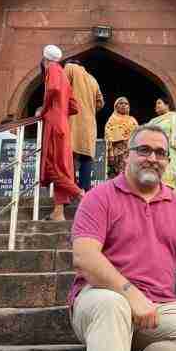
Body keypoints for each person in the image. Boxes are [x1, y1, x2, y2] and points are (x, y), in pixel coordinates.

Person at [48, 124, 176, 351]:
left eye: (160, 153)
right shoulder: (99, 197)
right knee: (112, 304)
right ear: (127, 156)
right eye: (144, 150)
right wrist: (131, 294)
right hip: (100, 299)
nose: (153, 158)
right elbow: (84, 257)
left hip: (158, 307)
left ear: (167, 161)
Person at [39, 45, 82, 221]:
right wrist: (61, 110)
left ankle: (82, 195)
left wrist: (44, 110)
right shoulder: (64, 74)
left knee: (52, 166)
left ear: (45, 59)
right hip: (63, 124)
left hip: (54, 123)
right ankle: (58, 212)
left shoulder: (53, 68)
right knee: (61, 165)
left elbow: (53, 89)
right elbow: (74, 106)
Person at [65, 60, 104, 193]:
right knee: (86, 158)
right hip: (89, 124)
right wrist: (89, 109)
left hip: (73, 120)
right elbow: (100, 102)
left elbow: (61, 88)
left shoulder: (70, 68)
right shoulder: (92, 79)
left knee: (69, 156)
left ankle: (70, 191)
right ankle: (85, 192)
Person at [148, 98, 176, 194]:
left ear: (167, 105)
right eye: (156, 104)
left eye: (159, 103)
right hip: (155, 151)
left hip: (170, 151)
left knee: (168, 177)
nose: (157, 106)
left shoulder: (175, 117)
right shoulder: (152, 121)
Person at [104, 97, 138, 178]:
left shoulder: (132, 120)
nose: (123, 105)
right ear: (116, 106)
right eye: (121, 103)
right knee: (117, 176)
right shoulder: (112, 120)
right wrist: (110, 153)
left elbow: (138, 136)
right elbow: (108, 137)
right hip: (116, 153)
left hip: (130, 151)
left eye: (126, 104)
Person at [0, 115, 18, 197]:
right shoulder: (15, 138)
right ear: (10, 125)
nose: (15, 128)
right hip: (8, 168)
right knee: (7, 194)